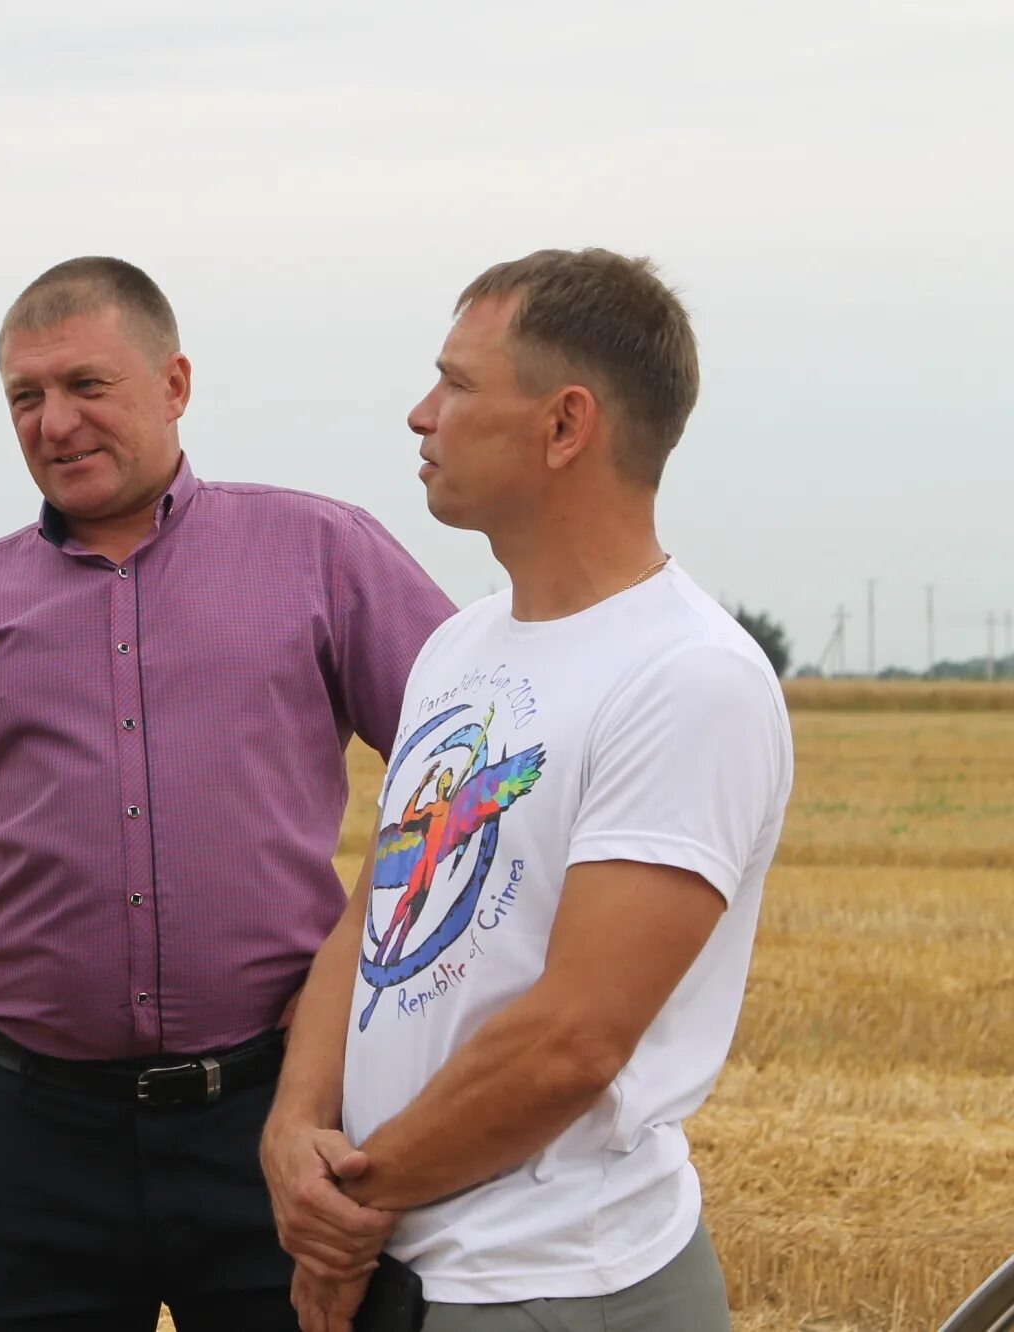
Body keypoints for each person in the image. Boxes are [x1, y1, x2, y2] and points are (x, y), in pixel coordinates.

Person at [0, 255, 455, 1330]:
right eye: (23, 397)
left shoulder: (320, 553)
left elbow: (467, 782)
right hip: (29, 1140)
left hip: (274, 1122)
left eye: (86, 385)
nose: (54, 422)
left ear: (173, 385)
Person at [261, 248, 794, 1332]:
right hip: (414, 1261)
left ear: (562, 426)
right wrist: (289, 1126)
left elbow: (571, 1041)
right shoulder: (459, 647)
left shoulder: (687, 678)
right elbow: (374, 914)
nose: (421, 415)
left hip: (553, 1288)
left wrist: (345, 1212)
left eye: (456, 384)